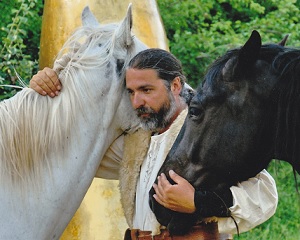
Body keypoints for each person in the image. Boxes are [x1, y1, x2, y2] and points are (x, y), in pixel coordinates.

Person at [30, 48, 278, 240]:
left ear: (176, 85)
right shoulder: (136, 143)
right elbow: (73, 147)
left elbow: (266, 195)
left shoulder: (208, 134)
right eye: (131, 92)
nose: (137, 101)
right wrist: (50, 90)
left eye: (146, 90)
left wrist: (198, 202)